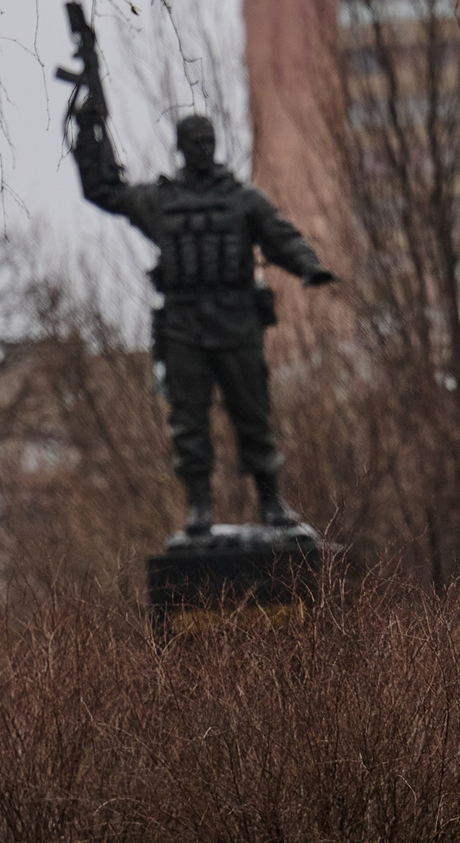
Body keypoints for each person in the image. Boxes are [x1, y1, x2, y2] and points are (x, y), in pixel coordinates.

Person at [69, 104, 337, 538]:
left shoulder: (243, 200)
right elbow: (105, 190)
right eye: (193, 141)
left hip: (237, 321)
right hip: (184, 325)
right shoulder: (160, 201)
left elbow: (280, 236)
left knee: (253, 413)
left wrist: (308, 266)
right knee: (188, 420)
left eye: (207, 140)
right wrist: (88, 130)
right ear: (181, 147)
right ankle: (199, 506)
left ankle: (271, 500)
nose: (201, 147)